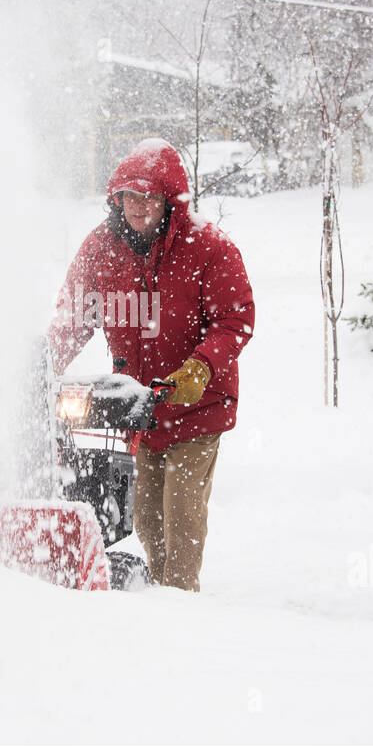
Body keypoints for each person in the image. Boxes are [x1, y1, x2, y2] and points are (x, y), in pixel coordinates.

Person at [47, 138, 255, 591]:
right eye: (130, 197)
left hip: (197, 407)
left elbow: (234, 319)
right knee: (147, 521)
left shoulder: (208, 248)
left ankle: (179, 604)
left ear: (169, 200)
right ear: (116, 198)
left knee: (180, 519)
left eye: (149, 198)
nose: (139, 208)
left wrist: (200, 367)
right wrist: (43, 363)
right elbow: (74, 317)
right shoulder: (101, 248)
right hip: (140, 409)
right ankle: (159, 604)